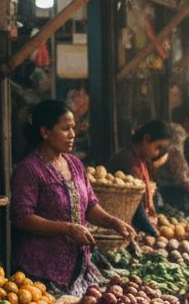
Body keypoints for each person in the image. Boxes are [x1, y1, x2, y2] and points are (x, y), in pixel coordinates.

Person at [10, 100, 136, 292]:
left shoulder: (75, 164)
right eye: (66, 128)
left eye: (73, 128)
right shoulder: (29, 169)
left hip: (77, 268)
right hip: (40, 273)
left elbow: (90, 206)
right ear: (45, 132)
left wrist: (113, 222)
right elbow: (21, 218)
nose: (72, 135)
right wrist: (66, 228)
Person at [107, 121, 172, 235]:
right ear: (146, 139)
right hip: (121, 227)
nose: (157, 153)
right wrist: (153, 232)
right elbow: (135, 203)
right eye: (158, 147)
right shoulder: (127, 161)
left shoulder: (139, 160)